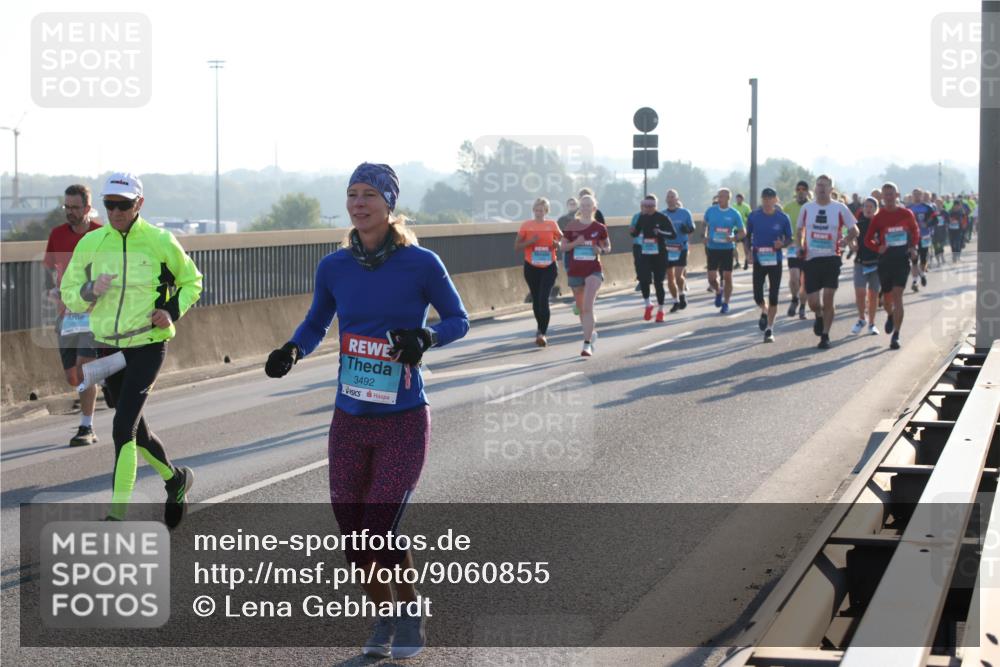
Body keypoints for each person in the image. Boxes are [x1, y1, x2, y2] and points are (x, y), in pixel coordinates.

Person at [266, 163, 469, 659]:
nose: (358, 203)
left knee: (378, 529)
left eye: (369, 195)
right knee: (354, 538)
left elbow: (458, 320)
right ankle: (386, 616)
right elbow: (316, 323)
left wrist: (425, 337)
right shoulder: (333, 267)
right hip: (349, 419)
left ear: (389, 204)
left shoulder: (422, 263)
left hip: (403, 418)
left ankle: (411, 611)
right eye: (352, 194)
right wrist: (293, 349)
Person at [61, 172, 202, 525]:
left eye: (123, 205)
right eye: (109, 205)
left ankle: (116, 518)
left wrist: (170, 311)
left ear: (139, 203)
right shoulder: (92, 242)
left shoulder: (159, 240)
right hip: (108, 349)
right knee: (137, 431)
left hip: (148, 345)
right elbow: (69, 293)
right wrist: (91, 290)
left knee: (122, 428)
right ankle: (175, 479)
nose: (115, 212)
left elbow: (192, 282)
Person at [43, 184, 104, 447]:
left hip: (94, 314)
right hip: (66, 315)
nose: (69, 212)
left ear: (87, 208)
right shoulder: (57, 235)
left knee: (83, 369)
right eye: (66, 207)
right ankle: (106, 378)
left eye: (75, 207)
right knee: (73, 376)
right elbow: (49, 269)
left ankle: (86, 427)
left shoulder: (101, 234)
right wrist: (50, 290)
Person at [797, 175, 859, 349]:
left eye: (825, 185)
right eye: (819, 185)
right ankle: (818, 315)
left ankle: (825, 335)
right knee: (813, 302)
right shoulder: (807, 208)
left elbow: (855, 230)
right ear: (815, 188)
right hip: (811, 259)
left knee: (828, 298)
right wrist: (799, 245)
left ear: (831, 189)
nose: (821, 188)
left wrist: (846, 240)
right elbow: (799, 230)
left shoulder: (839, 208)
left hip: (832, 258)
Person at [864, 182, 919, 350]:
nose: (888, 197)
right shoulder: (879, 217)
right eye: (885, 194)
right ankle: (890, 315)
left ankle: (896, 335)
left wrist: (913, 247)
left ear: (897, 195)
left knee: (897, 296)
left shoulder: (906, 213)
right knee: (886, 302)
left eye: (891, 194)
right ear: (882, 197)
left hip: (901, 260)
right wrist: (877, 248)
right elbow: (868, 239)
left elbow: (915, 231)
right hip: (885, 262)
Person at [561, 194, 610, 356]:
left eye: (588, 205)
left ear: (594, 208)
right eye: (583, 205)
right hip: (575, 271)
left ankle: (587, 344)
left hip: (593, 270)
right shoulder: (571, 226)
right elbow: (563, 247)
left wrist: (600, 250)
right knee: (582, 310)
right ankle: (591, 333)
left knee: (588, 307)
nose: (585, 208)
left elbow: (608, 247)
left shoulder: (599, 228)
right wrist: (576, 243)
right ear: (579, 208)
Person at [746, 188, 792, 343]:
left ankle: (769, 329)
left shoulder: (783, 218)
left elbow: (789, 238)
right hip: (759, 260)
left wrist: (782, 244)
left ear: (776, 200)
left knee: (773, 296)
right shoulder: (754, 216)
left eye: (770, 199)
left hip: (775, 261)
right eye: (764, 198)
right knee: (757, 296)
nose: (767, 201)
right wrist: (748, 252)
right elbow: (747, 237)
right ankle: (764, 310)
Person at [515, 198, 562, 346]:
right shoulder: (526, 225)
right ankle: (540, 329)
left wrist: (557, 244)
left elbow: (561, 240)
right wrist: (531, 241)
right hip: (531, 267)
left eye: (541, 210)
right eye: (536, 210)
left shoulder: (552, 224)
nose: (538, 213)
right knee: (536, 300)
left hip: (549, 266)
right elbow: (517, 246)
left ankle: (542, 333)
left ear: (546, 211)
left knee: (543, 299)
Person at [631, 194, 676, 322]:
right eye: (646, 205)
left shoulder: (662, 217)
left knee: (658, 282)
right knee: (644, 280)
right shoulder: (642, 217)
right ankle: (648, 304)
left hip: (660, 254)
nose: (648, 208)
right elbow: (635, 233)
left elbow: (673, 234)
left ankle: (661, 310)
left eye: (651, 206)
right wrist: (633, 231)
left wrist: (660, 232)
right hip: (645, 253)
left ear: (656, 206)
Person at [703, 189, 746, 314]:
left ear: (728, 198)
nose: (719, 198)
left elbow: (743, 232)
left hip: (727, 249)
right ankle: (718, 291)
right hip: (712, 248)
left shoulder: (734, 213)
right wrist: (704, 236)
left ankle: (726, 303)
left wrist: (733, 238)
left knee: (727, 277)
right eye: (719, 196)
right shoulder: (711, 211)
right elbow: (704, 224)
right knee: (711, 279)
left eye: (722, 196)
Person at [849, 196, 882, 335]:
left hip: (876, 264)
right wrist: (852, 245)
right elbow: (851, 238)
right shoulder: (859, 224)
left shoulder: (880, 225)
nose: (868, 209)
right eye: (866, 206)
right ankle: (861, 319)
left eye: (871, 207)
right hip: (860, 263)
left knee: (873, 295)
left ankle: (872, 324)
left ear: (876, 209)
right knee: (860, 293)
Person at [782, 180, 810, 319]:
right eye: (798, 189)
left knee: (804, 280)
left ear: (807, 191)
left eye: (803, 189)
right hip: (793, 247)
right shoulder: (788, 207)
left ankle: (803, 307)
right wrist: (785, 241)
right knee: (794, 278)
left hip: (809, 248)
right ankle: (794, 299)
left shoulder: (812, 207)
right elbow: (781, 226)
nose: (800, 191)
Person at [663, 188, 694, 311]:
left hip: (681, 247)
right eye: (668, 197)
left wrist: (687, 229)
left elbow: (692, 227)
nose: (670, 199)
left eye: (673, 197)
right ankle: (675, 301)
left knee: (678, 276)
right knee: (670, 278)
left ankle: (682, 294)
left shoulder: (685, 213)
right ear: (666, 199)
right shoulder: (662, 214)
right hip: (667, 248)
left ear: (677, 199)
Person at [907, 188, 934, 292]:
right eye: (915, 194)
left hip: (924, 236)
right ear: (912, 196)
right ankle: (915, 281)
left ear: (922, 196)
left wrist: (927, 224)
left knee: (923, 259)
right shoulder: (908, 208)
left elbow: (935, 219)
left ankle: (922, 274)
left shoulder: (927, 208)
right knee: (913, 260)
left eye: (919, 194)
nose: (917, 196)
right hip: (912, 237)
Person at [733, 193, 753, 269]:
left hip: (744, 229)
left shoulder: (746, 207)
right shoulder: (733, 206)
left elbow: (750, 217)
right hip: (735, 229)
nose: (738, 200)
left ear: (742, 199)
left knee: (746, 247)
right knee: (733, 246)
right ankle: (737, 262)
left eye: (740, 198)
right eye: (737, 198)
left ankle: (746, 261)